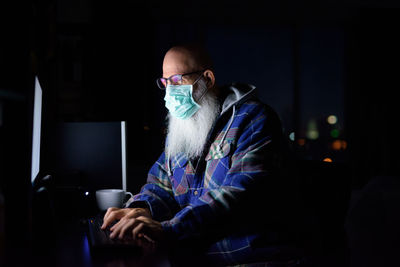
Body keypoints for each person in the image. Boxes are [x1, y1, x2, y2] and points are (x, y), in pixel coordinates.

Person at [101, 44, 301, 266]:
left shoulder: (253, 119)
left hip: (250, 259)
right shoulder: (183, 127)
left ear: (207, 79)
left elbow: (238, 193)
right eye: (165, 82)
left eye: (177, 80)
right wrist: (141, 210)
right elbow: (160, 184)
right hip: (194, 258)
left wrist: (167, 229)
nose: (169, 91)